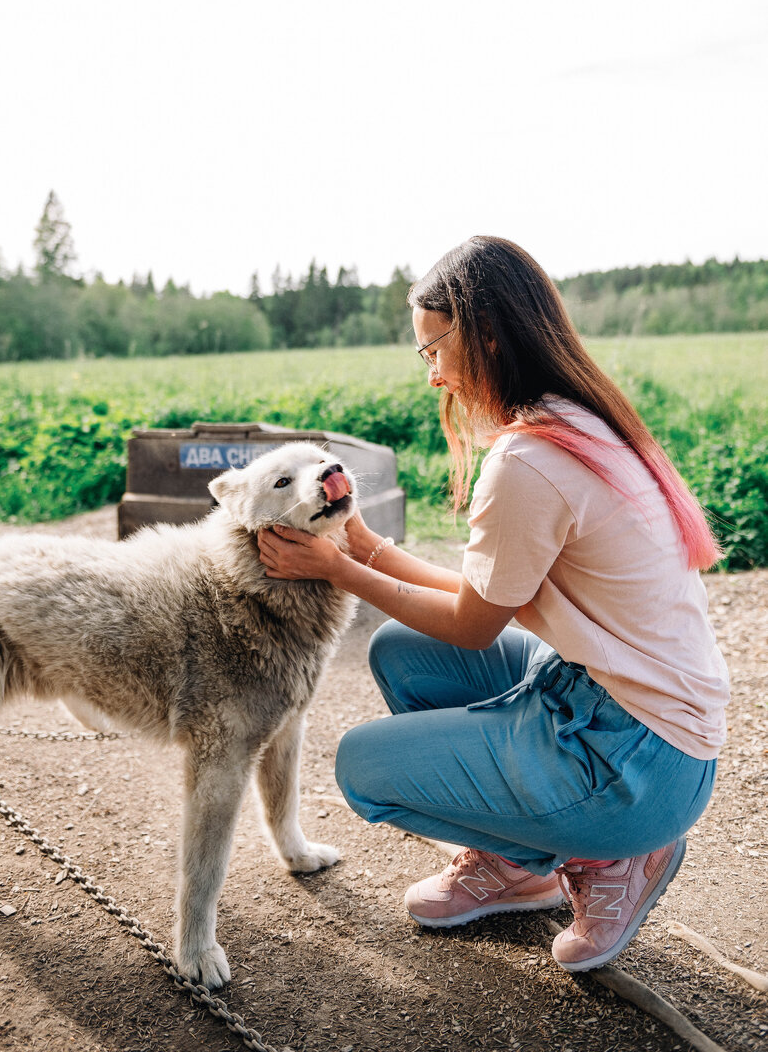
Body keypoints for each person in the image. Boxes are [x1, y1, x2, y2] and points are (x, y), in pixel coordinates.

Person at [257, 235, 728, 972]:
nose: (433, 376)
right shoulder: (577, 420)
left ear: (484, 338)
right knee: (399, 651)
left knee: (360, 767)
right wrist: (365, 549)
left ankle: (611, 858)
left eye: (434, 352)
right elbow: (489, 595)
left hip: (638, 762)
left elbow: (473, 628)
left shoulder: (527, 462)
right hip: (625, 710)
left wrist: (336, 571)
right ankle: (522, 865)